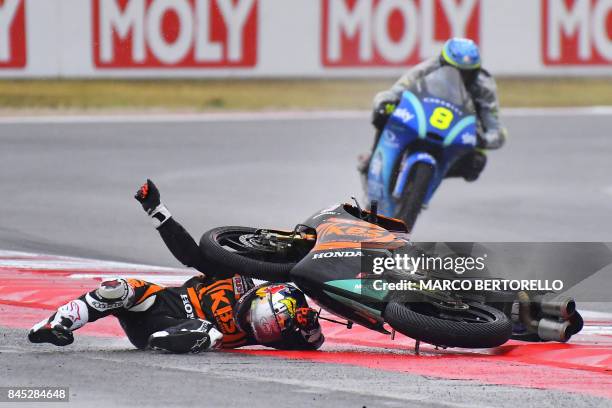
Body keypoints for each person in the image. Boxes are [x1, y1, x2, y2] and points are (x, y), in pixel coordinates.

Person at [28, 180, 324, 353]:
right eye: (252, 319)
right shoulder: (237, 276)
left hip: (170, 328)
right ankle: (57, 324)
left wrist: (308, 323)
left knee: (209, 333)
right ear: (261, 295)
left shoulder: (276, 330)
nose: (251, 327)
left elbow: (314, 342)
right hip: (155, 303)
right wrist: (157, 211)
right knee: (118, 289)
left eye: (258, 331)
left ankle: (163, 343)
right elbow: (191, 255)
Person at [359, 37, 507, 182]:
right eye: (455, 71)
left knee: (476, 162)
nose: (461, 78)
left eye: (468, 73)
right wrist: (384, 102)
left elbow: (496, 130)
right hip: (423, 115)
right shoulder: (428, 68)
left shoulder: (484, 86)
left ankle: (427, 179)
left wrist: (484, 140)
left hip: (458, 129)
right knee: (384, 112)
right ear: (442, 63)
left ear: (477, 71)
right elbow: (396, 90)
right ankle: (373, 157)